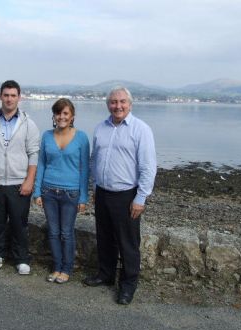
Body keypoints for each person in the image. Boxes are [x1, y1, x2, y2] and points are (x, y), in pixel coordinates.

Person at [84, 86, 156, 305]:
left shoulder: (141, 130)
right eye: (114, 102)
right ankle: (105, 275)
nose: (118, 106)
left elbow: (148, 167)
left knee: (128, 243)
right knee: (105, 238)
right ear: (108, 105)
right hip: (103, 193)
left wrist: (140, 198)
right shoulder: (100, 129)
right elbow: (95, 160)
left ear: (130, 104)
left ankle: (128, 285)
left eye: (122, 102)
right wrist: (95, 187)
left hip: (126, 195)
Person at [0, 80, 40, 275]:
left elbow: (34, 153)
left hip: (18, 182)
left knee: (20, 223)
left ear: (19, 97)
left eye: (13, 95)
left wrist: (29, 180)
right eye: (6, 95)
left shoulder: (28, 123)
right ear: (0, 96)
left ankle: (21, 258)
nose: (9, 99)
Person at [33, 98, 89, 284]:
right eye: (58, 113)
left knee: (66, 232)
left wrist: (83, 197)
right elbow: (41, 164)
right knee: (53, 232)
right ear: (54, 116)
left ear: (72, 116)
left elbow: (84, 169)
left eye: (65, 113)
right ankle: (57, 267)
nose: (61, 117)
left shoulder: (81, 138)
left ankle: (67, 269)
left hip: (70, 193)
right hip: (48, 190)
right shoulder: (47, 136)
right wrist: (37, 191)